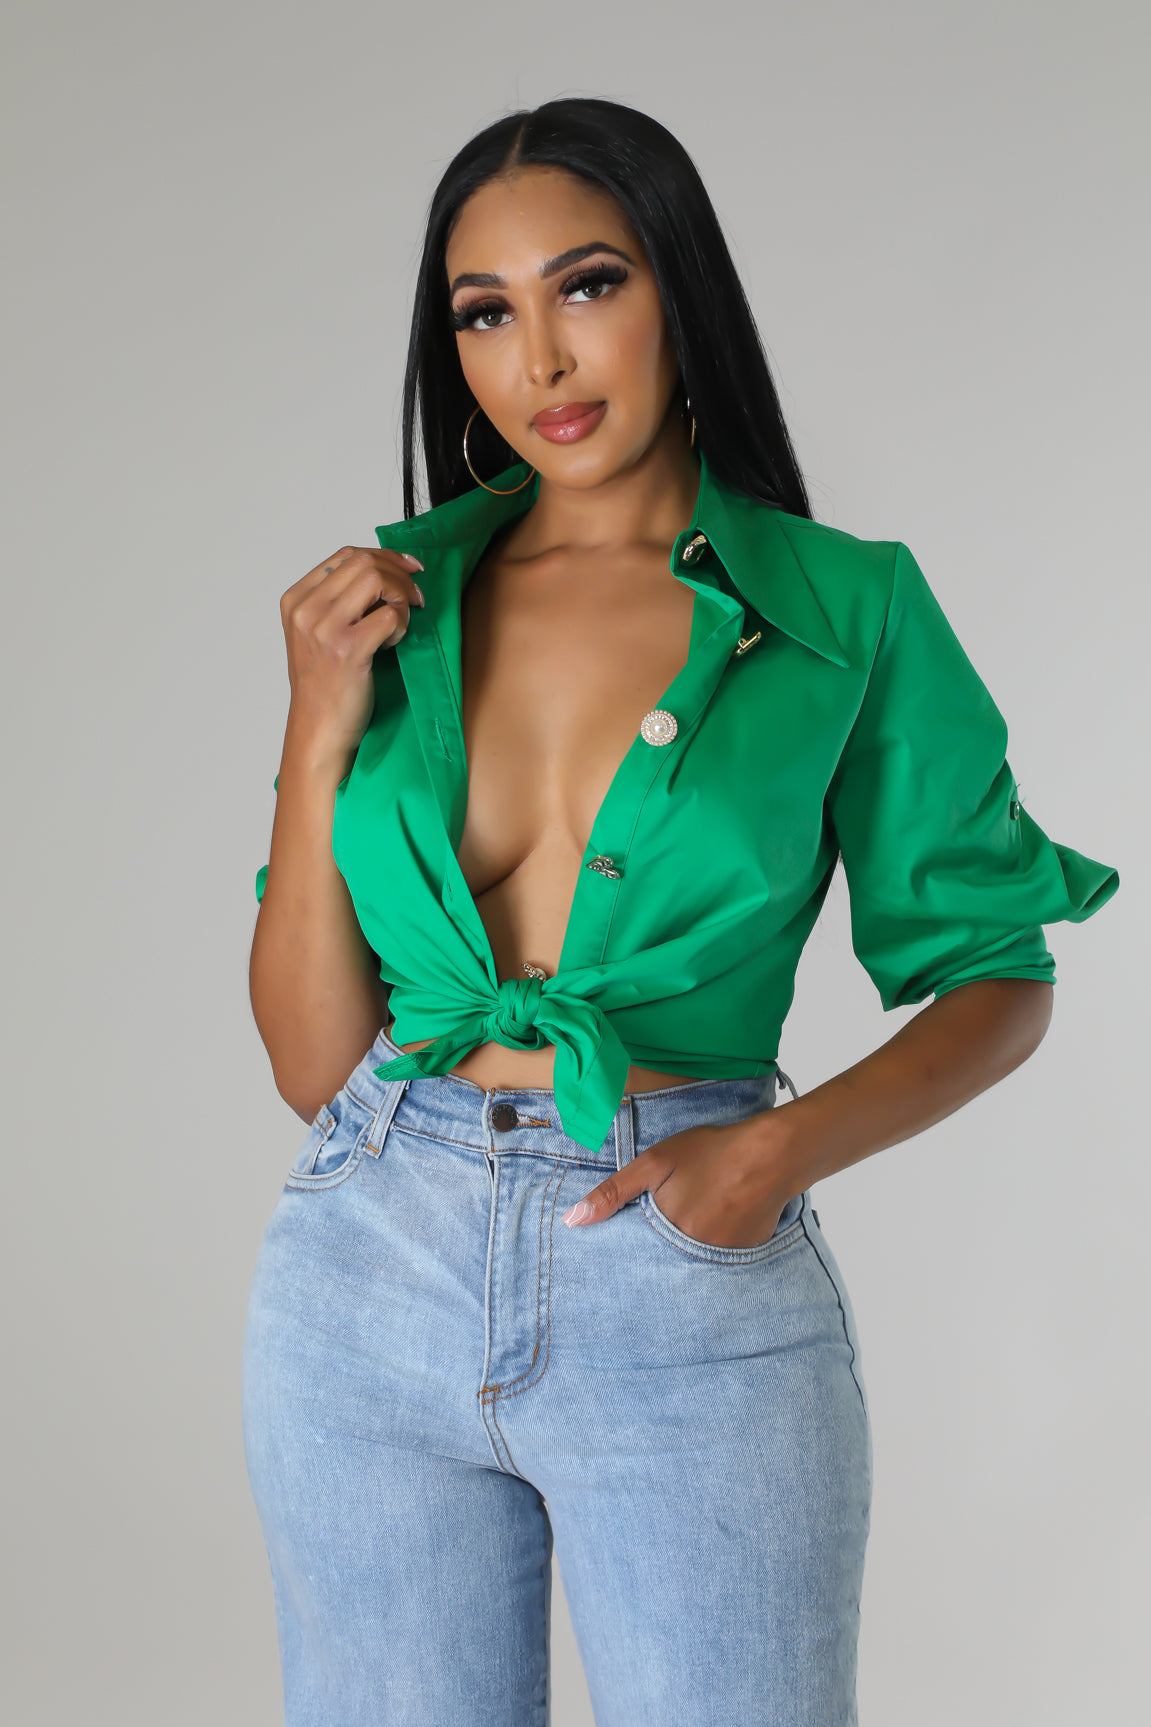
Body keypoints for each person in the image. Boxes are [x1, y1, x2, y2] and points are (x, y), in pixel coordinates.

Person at [241, 97, 1119, 1726]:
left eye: (588, 286)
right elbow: (314, 1067)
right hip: (364, 1266)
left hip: (682, 1272)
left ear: (677, 287)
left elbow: (1002, 975)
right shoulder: (393, 609)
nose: (541, 360)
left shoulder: (844, 609)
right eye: (486, 314)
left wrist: (775, 1153)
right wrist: (315, 730)